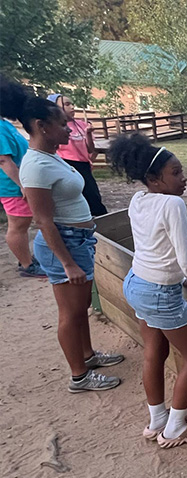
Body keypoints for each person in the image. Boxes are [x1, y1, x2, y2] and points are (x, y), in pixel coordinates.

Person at [108, 133, 187, 448]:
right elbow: (185, 258)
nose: (183, 178)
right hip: (158, 292)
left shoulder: (138, 199)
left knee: (153, 351)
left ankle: (157, 418)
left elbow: (153, 247)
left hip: (135, 282)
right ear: (153, 178)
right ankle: (174, 429)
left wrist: (176, 276)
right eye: (176, 173)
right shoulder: (173, 204)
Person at [19, 95, 124, 393]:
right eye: (62, 124)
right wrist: (67, 262)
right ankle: (79, 376)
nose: (69, 129)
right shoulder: (36, 166)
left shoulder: (51, 156)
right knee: (71, 313)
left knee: (82, 306)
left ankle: (88, 356)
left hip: (78, 240)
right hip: (64, 245)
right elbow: (43, 220)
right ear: (41, 126)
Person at [0, 75, 45, 277]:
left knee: (23, 224)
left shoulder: (5, 124)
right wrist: (22, 185)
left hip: (18, 183)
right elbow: (4, 161)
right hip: (12, 186)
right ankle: (26, 265)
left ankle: (26, 258)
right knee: (18, 226)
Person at [47, 93, 108, 217]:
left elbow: (90, 149)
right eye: (67, 104)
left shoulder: (81, 124)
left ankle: (101, 223)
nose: (72, 107)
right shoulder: (55, 126)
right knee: (78, 197)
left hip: (84, 165)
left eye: (72, 104)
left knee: (94, 197)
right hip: (67, 164)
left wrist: (88, 134)